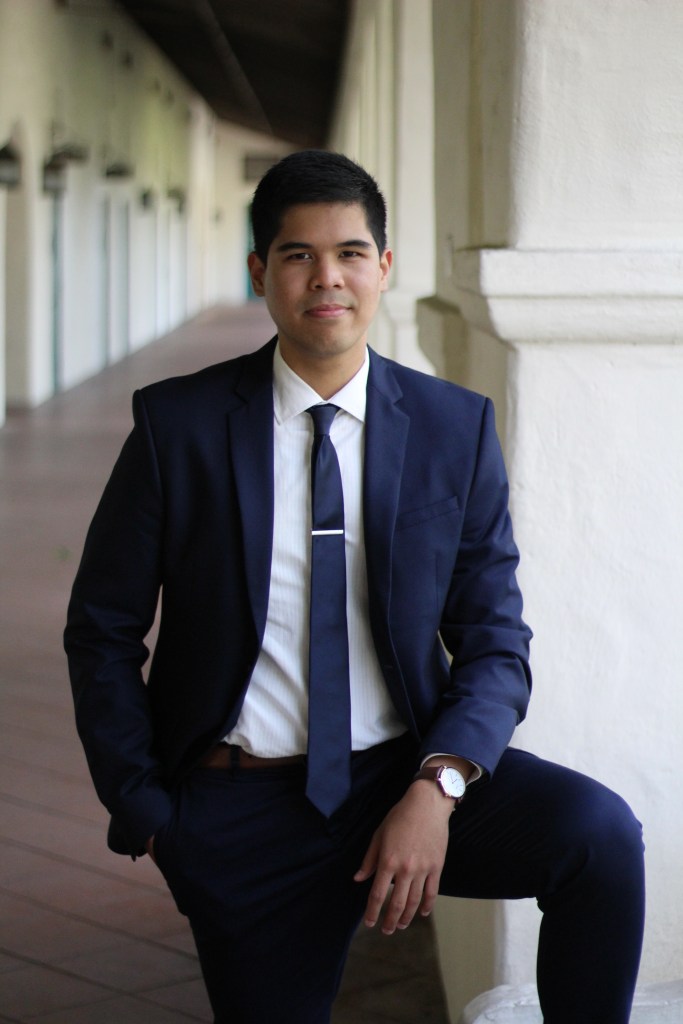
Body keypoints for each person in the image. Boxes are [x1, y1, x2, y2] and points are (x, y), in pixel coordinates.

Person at [64, 149, 645, 1024]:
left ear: (383, 267)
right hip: (239, 805)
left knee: (598, 839)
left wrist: (437, 786)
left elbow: (495, 638)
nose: (325, 277)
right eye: (297, 255)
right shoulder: (175, 426)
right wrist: (150, 811)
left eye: (348, 253)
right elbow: (100, 630)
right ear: (260, 272)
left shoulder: (454, 426)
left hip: (399, 772)